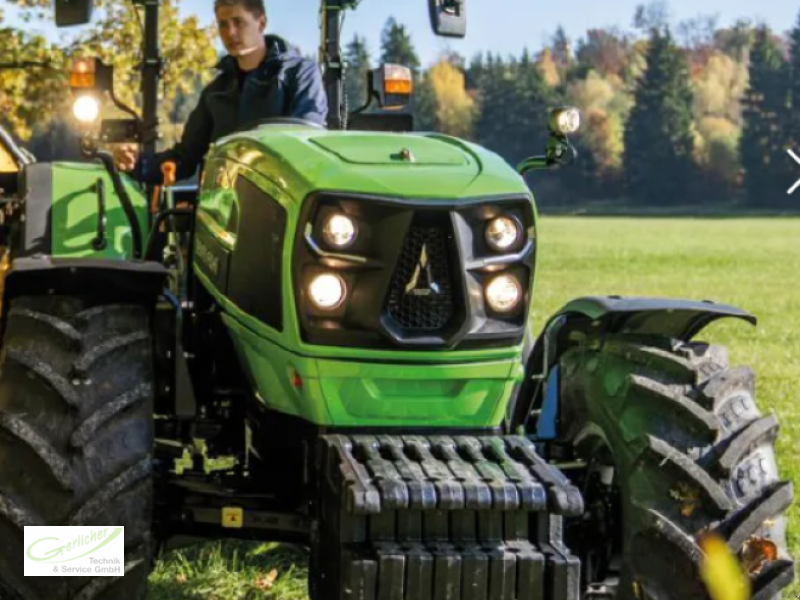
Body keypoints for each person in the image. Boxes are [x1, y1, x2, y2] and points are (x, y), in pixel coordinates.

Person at [113, 0, 328, 184]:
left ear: (261, 23)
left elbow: (305, 142)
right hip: (223, 201)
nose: (230, 32)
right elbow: (185, 158)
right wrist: (136, 164)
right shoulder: (216, 92)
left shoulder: (299, 74)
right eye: (223, 24)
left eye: (238, 22)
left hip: (281, 196)